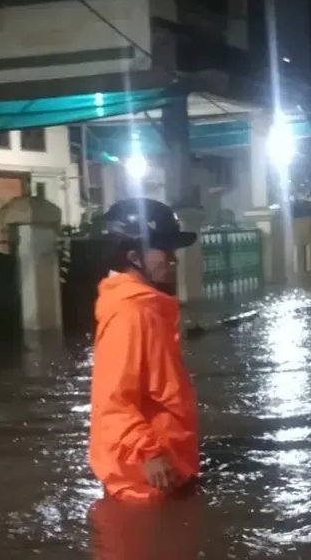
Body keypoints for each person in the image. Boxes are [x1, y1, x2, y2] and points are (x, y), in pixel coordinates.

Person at [88, 197, 200, 501]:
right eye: (165, 250)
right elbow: (113, 399)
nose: (173, 260)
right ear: (134, 255)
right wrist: (149, 453)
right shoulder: (131, 313)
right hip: (146, 479)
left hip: (163, 470)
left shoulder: (147, 308)